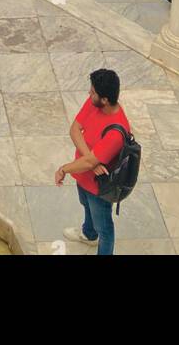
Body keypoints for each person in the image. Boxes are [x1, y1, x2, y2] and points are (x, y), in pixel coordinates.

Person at [56, 68, 130, 257]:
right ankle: (89, 234)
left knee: (104, 228)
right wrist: (92, 158)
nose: (89, 93)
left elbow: (89, 162)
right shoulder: (94, 102)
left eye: (93, 92)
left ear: (105, 99)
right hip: (84, 174)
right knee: (85, 204)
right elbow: (74, 129)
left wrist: (64, 169)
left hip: (99, 188)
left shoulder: (116, 132)